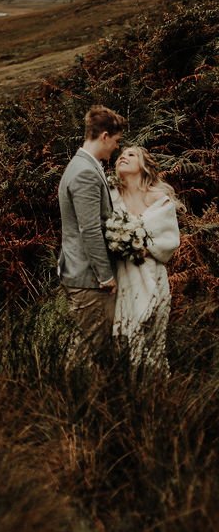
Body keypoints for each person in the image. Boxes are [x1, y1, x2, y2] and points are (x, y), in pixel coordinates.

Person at [57, 105, 126, 357]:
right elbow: (90, 230)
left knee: (90, 348)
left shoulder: (85, 165)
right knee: (89, 351)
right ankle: (75, 394)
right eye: (116, 141)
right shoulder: (85, 172)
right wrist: (105, 276)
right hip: (89, 278)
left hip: (81, 272)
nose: (117, 147)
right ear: (104, 136)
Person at [111, 144, 181, 371]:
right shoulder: (111, 197)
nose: (123, 157)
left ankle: (154, 390)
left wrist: (141, 247)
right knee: (122, 340)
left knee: (153, 339)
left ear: (144, 166)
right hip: (119, 277)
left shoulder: (160, 199)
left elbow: (169, 240)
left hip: (151, 273)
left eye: (131, 155)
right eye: (121, 155)